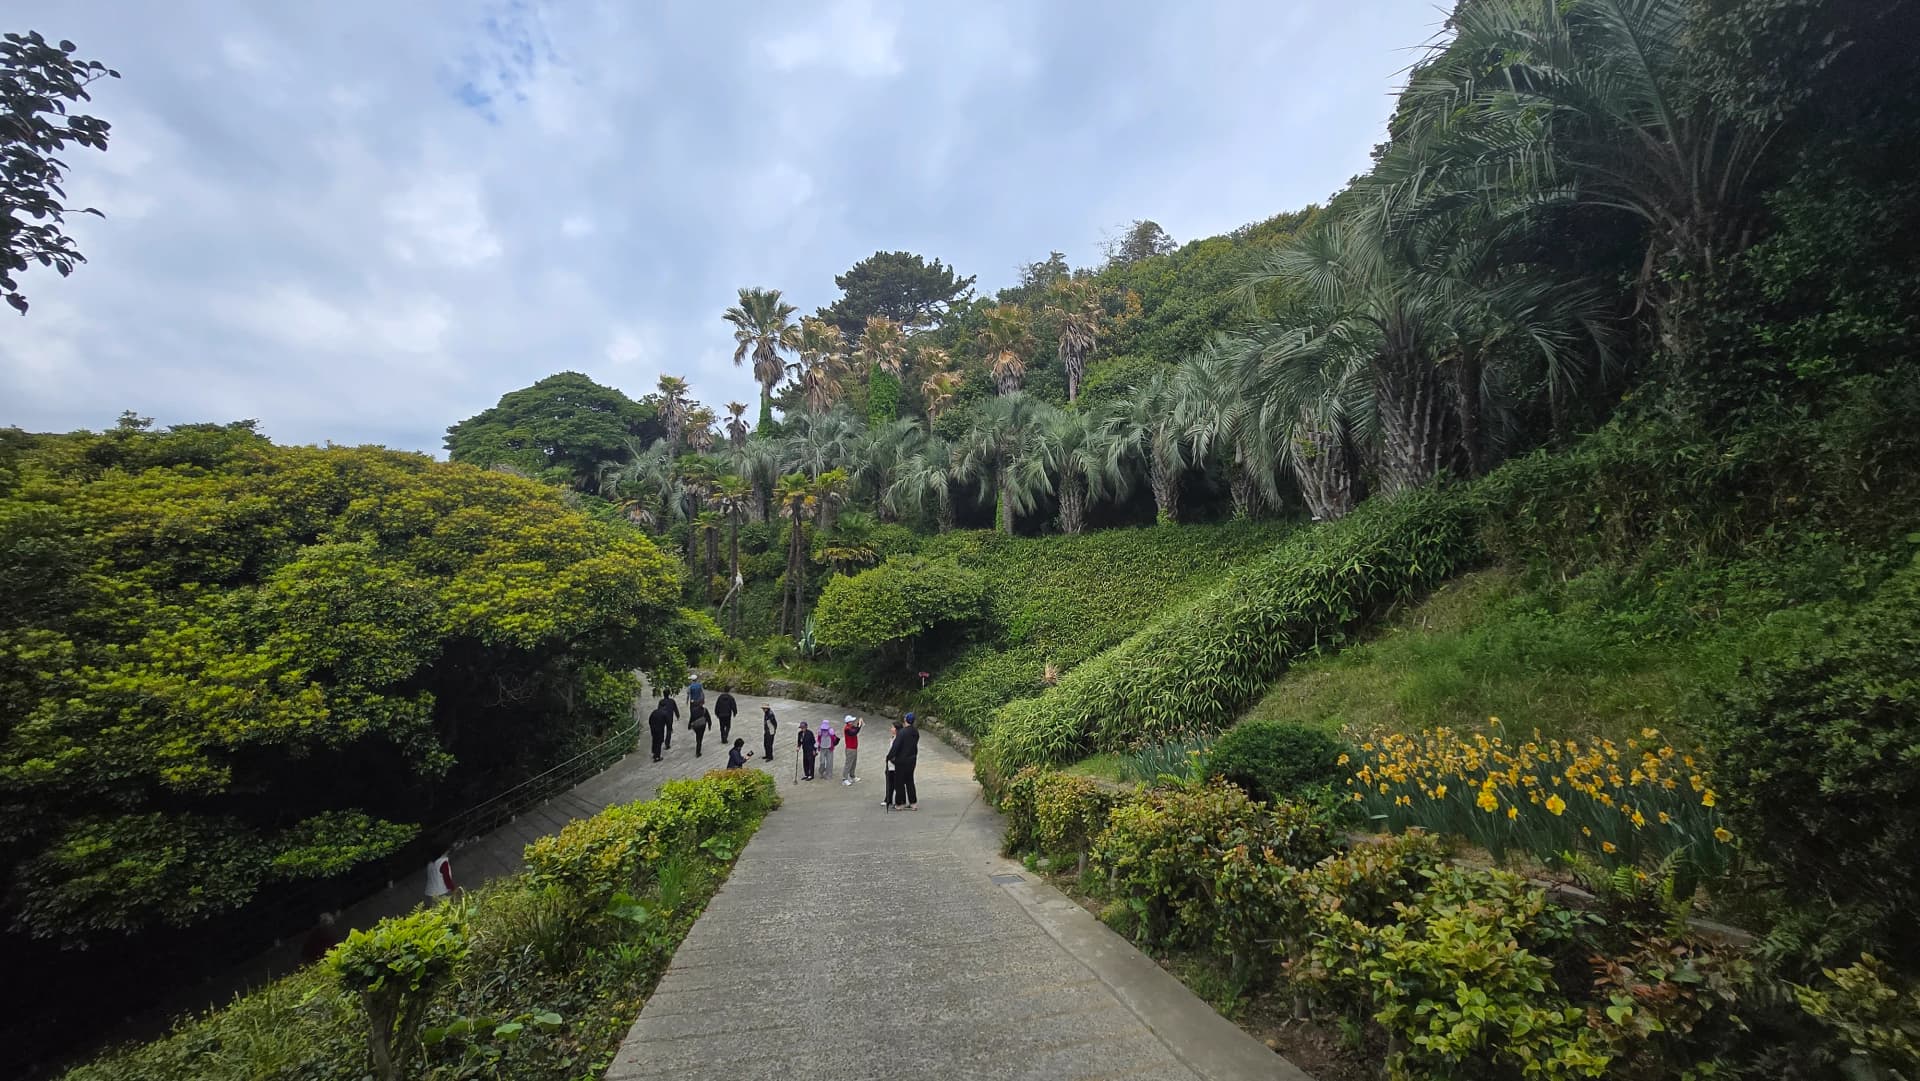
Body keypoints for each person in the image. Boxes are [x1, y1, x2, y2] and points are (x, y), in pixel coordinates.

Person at [890, 712, 921, 810]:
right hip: (912, 759)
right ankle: (913, 803)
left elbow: (896, 746)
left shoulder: (902, 732)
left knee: (899, 782)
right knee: (910, 781)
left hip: (901, 761)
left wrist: (890, 756)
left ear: (905, 720)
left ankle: (900, 803)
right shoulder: (915, 732)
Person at [882, 720, 902, 809]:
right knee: (890, 783)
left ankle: (897, 800)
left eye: (893, 727)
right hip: (890, 765)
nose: (891, 729)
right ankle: (888, 799)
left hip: (895, 766)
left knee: (894, 784)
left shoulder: (898, 740)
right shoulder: (893, 738)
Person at [841, 715, 862, 784]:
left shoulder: (851, 727)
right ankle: (845, 778)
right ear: (849, 722)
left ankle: (852, 776)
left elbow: (856, 729)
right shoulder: (847, 729)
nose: (853, 721)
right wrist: (859, 726)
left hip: (854, 748)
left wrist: (859, 724)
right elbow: (854, 732)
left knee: (853, 763)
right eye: (852, 721)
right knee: (848, 763)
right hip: (850, 749)